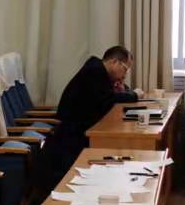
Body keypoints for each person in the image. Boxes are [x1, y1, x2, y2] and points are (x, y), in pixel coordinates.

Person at [42, 46, 140, 190]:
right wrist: (134, 95)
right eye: (125, 69)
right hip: (73, 135)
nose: (125, 75)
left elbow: (110, 96)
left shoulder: (99, 70)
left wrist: (124, 91)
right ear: (114, 62)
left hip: (81, 128)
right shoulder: (94, 72)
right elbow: (108, 100)